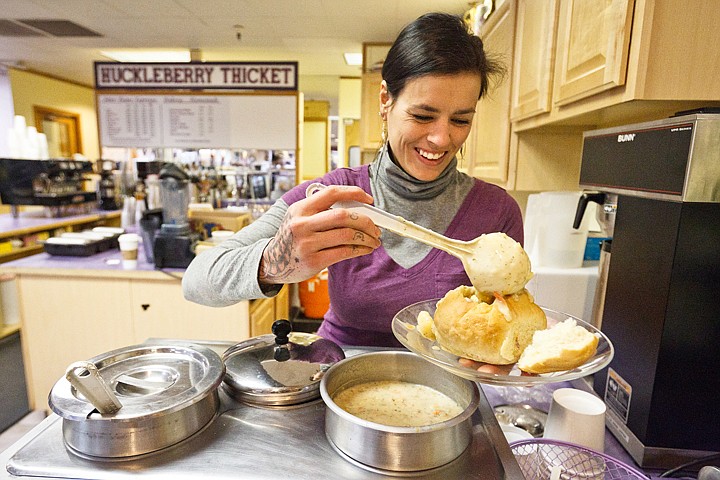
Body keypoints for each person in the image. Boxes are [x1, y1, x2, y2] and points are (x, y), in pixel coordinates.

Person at [182, 12, 524, 347]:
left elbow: (509, 318)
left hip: (447, 386)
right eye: (423, 116)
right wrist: (275, 261)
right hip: (342, 372)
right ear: (385, 101)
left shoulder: (496, 213)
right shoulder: (334, 195)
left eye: (461, 121)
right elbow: (197, 280)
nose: (441, 138)